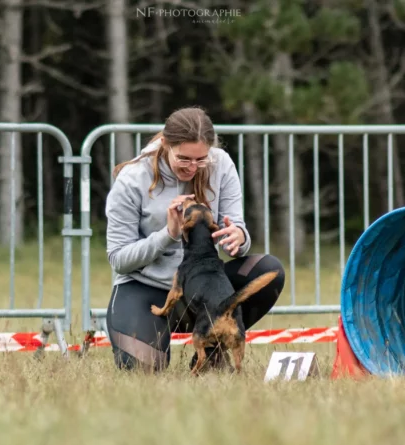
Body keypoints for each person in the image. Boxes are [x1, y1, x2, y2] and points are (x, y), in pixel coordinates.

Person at [104, 106, 286, 372]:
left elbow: (238, 232)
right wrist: (168, 234)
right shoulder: (132, 179)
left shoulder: (221, 164)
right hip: (145, 288)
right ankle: (152, 335)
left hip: (204, 288)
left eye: (201, 160)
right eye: (184, 159)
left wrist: (239, 237)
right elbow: (119, 260)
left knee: (269, 271)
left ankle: (212, 352)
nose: (192, 167)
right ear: (165, 144)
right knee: (141, 370)